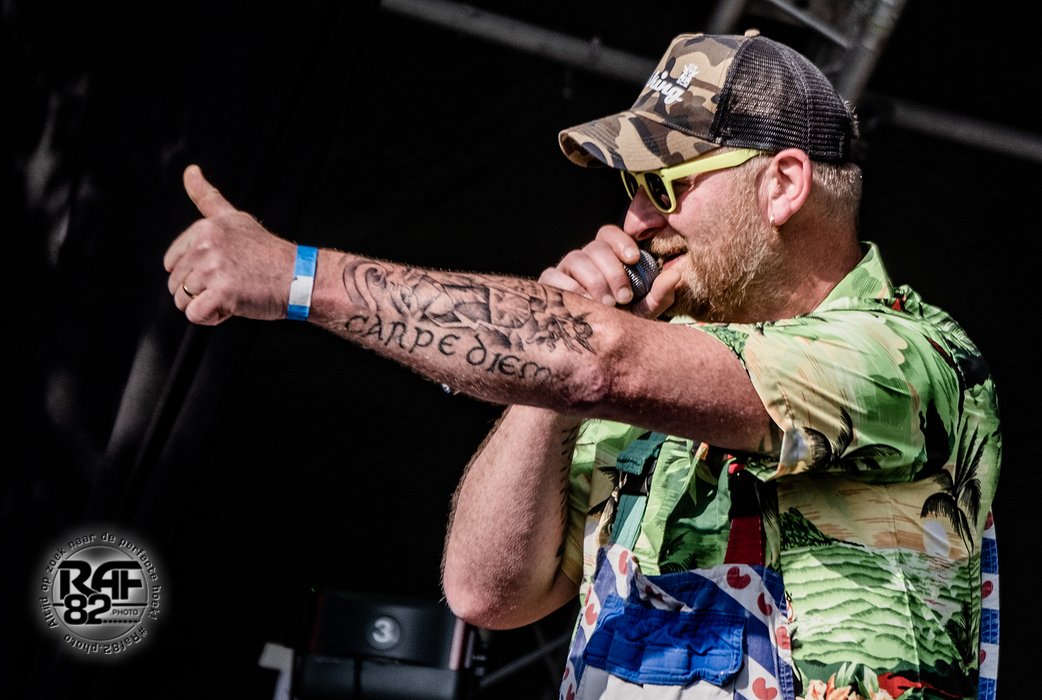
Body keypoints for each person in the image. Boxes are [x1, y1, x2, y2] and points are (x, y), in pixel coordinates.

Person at [165, 30, 1000, 700]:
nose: (634, 221)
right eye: (629, 188)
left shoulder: (905, 355)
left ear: (782, 185)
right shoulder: (645, 354)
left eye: (664, 186)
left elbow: (600, 364)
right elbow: (487, 594)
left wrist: (297, 278)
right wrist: (551, 392)